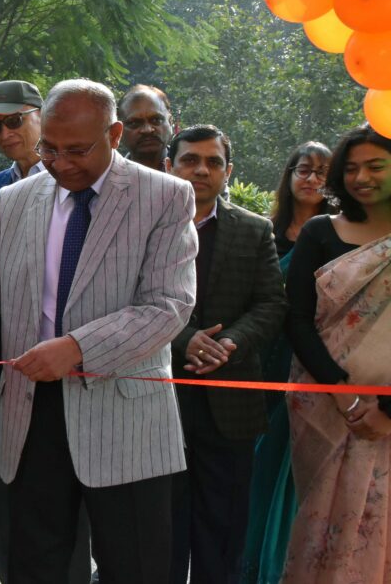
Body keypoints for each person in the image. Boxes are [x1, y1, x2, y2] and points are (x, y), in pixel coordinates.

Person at [0, 79, 198, 583]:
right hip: (30, 414)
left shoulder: (165, 197)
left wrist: (77, 348)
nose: (60, 162)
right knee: (32, 565)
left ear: (114, 135)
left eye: (76, 150)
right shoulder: (15, 201)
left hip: (125, 416)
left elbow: (168, 306)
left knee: (135, 567)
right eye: (49, 148)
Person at [0, 79, 90, 583]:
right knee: (5, 485)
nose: (5, 132)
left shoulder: (89, 183)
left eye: (14, 121)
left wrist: (11, 248)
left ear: (42, 116)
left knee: (74, 497)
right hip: (3, 361)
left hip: (77, 365)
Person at [164, 126, 287, 584]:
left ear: (228, 171)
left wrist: (228, 344)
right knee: (163, 528)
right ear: (169, 167)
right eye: (190, 159)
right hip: (160, 398)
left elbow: (272, 303)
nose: (201, 169)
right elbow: (126, 298)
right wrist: (185, 339)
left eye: (213, 162)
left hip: (230, 402)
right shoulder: (147, 229)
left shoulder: (255, 230)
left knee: (224, 529)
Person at [282, 125, 391, 583]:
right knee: (322, 528)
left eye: (375, 166)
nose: (361, 177)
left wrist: (386, 410)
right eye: (350, 168)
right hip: (325, 405)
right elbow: (297, 321)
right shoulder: (321, 231)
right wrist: (344, 396)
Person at [239, 141, 334, 584]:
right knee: (261, 463)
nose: (313, 178)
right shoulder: (264, 231)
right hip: (266, 360)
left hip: (317, 360)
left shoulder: (340, 236)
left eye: (322, 171)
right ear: (289, 176)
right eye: (304, 169)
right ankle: (254, 563)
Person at [118, 85, 175, 171]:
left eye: (156, 120)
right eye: (134, 123)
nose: (147, 130)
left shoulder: (193, 173)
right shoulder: (106, 179)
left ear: (170, 122)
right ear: (119, 130)